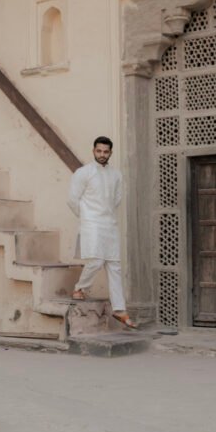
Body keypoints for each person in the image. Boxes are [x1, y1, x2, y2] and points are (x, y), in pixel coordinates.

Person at [67, 136, 137, 329]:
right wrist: (87, 216)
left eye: (106, 152)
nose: (102, 155)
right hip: (92, 223)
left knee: (114, 265)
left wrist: (106, 215)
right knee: (96, 261)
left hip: (110, 223)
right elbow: (72, 199)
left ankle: (120, 309)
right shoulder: (83, 173)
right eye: (99, 151)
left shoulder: (116, 175)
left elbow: (116, 199)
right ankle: (79, 288)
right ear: (93, 151)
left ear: (110, 153)